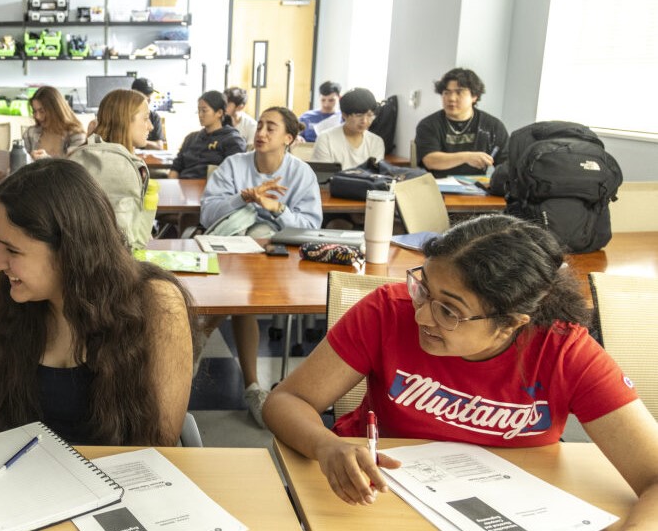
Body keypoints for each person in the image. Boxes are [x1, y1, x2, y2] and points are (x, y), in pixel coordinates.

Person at [262, 214, 658, 525]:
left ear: (513, 322)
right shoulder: (387, 310)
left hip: (509, 508)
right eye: (424, 289)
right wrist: (325, 444)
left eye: (449, 310)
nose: (421, 315)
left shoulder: (564, 352)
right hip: (384, 497)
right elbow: (286, 400)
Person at [0, 159, 198, 446]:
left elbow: (160, 441)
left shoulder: (157, 304)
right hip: (18, 475)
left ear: (69, 252)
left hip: (116, 479)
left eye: (12, 250)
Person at [200, 106, 323, 428]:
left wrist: (277, 207)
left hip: (277, 260)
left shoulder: (300, 173)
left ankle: (200, 340)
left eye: (271, 127)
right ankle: (253, 387)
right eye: (260, 125)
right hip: (228, 251)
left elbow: (311, 226)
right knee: (240, 295)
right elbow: (208, 216)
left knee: (239, 295)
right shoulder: (233, 165)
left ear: (289, 138)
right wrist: (245, 198)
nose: (261, 132)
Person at [415, 68, 509, 178]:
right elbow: (430, 160)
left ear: (474, 96)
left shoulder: (493, 127)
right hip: (437, 188)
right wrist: (466, 157)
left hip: (478, 190)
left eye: (459, 92)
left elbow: (507, 164)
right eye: (446, 93)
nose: (451, 98)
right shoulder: (428, 125)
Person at [168, 91, 247, 179]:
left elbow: (235, 175)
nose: (200, 115)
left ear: (219, 113)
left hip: (211, 190)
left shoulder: (233, 140)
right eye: (199, 110)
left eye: (204, 111)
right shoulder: (191, 138)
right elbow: (175, 168)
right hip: (183, 187)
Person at [311, 88, 386, 169]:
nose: (364, 121)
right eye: (359, 115)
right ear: (344, 115)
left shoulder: (376, 142)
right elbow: (323, 175)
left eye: (369, 115)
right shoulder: (326, 139)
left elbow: (375, 176)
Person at [23, 86, 86, 159]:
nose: (37, 116)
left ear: (56, 110)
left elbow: (75, 166)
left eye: (42, 111)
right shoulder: (30, 133)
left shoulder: (76, 136)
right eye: (34, 111)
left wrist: (47, 160)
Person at [131, 77, 166, 149]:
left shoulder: (154, 116)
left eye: (150, 94)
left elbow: (159, 146)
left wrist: (137, 140)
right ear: (133, 93)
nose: (149, 98)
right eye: (146, 95)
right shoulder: (123, 114)